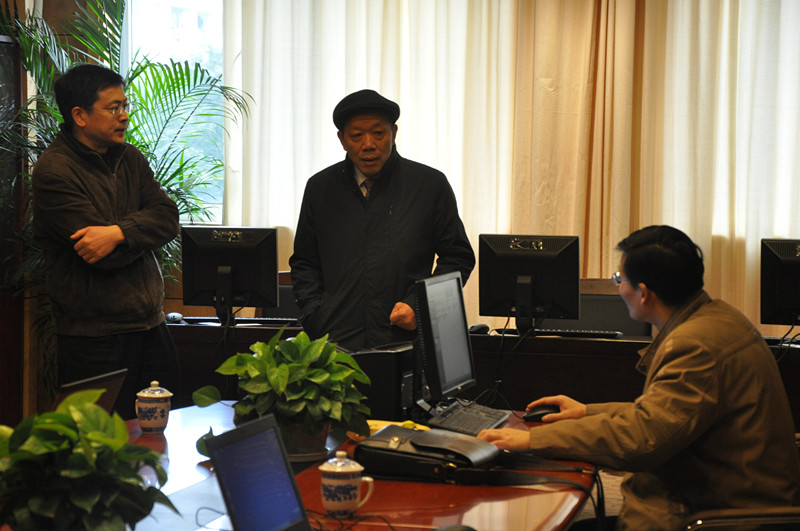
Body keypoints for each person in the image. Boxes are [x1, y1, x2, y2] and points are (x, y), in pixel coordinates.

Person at [478, 225, 800, 530]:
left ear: (643, 292)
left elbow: (642, 440)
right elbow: (661, 418)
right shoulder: (717, 318)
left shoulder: (695, 346)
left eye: (619, 279)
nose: (618, 287)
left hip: (711, 517)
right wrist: (586, 412)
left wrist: (532, 441)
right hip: (714, 502)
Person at [32, 63, 181, 420]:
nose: (124, 116)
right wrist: (138, 232)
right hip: (94, 337)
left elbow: (168, 218)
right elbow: (102, 256)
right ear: (80, 116)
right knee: (101, 442)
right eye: (114, 108)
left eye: (125, 106)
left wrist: (118, 233)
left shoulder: (130, 158)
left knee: (165, 434)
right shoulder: (54, 171)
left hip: (150, 325)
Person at [290, 89, 475, 351]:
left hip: (404, 339)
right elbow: (304, 262)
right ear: (342, 140)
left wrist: (419, 305)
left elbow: (457, 257)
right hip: (334, 343)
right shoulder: (320, 189)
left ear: (394, 133)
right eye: (357, 135)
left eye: (378, 133)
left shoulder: (429, 185)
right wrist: (315, 315)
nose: (368, 144)